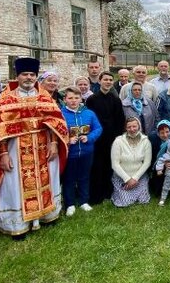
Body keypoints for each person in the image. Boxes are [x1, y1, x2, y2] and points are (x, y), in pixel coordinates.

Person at [0, 57, 69, 239]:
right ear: (18, 76)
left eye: (32, 74)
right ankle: (18, 224)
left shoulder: (44, 97)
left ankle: (47, 215)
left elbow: (56, 121)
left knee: (47, 181)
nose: (29, 78)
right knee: (15, 185)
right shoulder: (6, 99)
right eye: (25, 74)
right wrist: (3, 154)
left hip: (43, 146)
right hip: (16, 149)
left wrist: (54, 143)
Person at [84, 71, 126, 205]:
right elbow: (88, 120)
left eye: (110, 80)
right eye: (105, 79)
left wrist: (118, 138)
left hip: (112, 138)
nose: (108, 82)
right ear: (100, 81)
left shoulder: (116, 100)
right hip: (97, 139)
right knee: (97, 167)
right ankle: (96, 195)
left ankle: (109, 192)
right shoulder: (92, 100)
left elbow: (120, 120)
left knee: (110, 166)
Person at [60, 87, 102, 216]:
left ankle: (84, 201)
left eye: (76, 98)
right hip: (69, 154)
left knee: (84, 177)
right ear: (65, 99)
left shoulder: (89, 113)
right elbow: (56, 133)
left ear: (81, 99)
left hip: (86, 152)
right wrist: (67, 140)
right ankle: (70, 204)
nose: (73, 101)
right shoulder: (60, 114)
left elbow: (98, 128)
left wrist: (89, 138)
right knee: (69, 178)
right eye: (70, 98)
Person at [110, 117, 153, 207]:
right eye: (129, 127)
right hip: (122, 177)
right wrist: (127, 179)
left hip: (139, 177)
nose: (132, 129)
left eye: (134, 126)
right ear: (125, 128)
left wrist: (135, 178)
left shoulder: (145, 141)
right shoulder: (118, 141)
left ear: (139, 126)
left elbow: (147, 162)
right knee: (125, 202)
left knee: (143, 200)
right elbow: (115, 164)